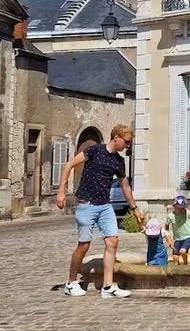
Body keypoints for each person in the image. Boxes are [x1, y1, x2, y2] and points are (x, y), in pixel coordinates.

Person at [56, 124, 142, 298]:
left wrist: (135, 209)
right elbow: (69, 164)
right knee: (84, 245)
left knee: (112, 242)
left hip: (105, 206)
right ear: (116, 137)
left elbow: (125, 186)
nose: (127, 146)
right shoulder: (94, 150)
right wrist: (61, 191)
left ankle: (108, 287)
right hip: (86, 203)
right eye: (126, 142)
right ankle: (71, 282)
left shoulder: (119, 162)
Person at [165, 195, 190, 265]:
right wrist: (168, 238)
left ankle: (185, 263)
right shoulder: (170, 216)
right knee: (175, 256)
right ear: (174, 207)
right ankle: (176, 268)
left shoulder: (187, 213)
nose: (181, 210)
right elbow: (166, 226)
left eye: (183, 208)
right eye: (179, 208)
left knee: (182, 251)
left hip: (188, 236)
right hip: (178, 238)